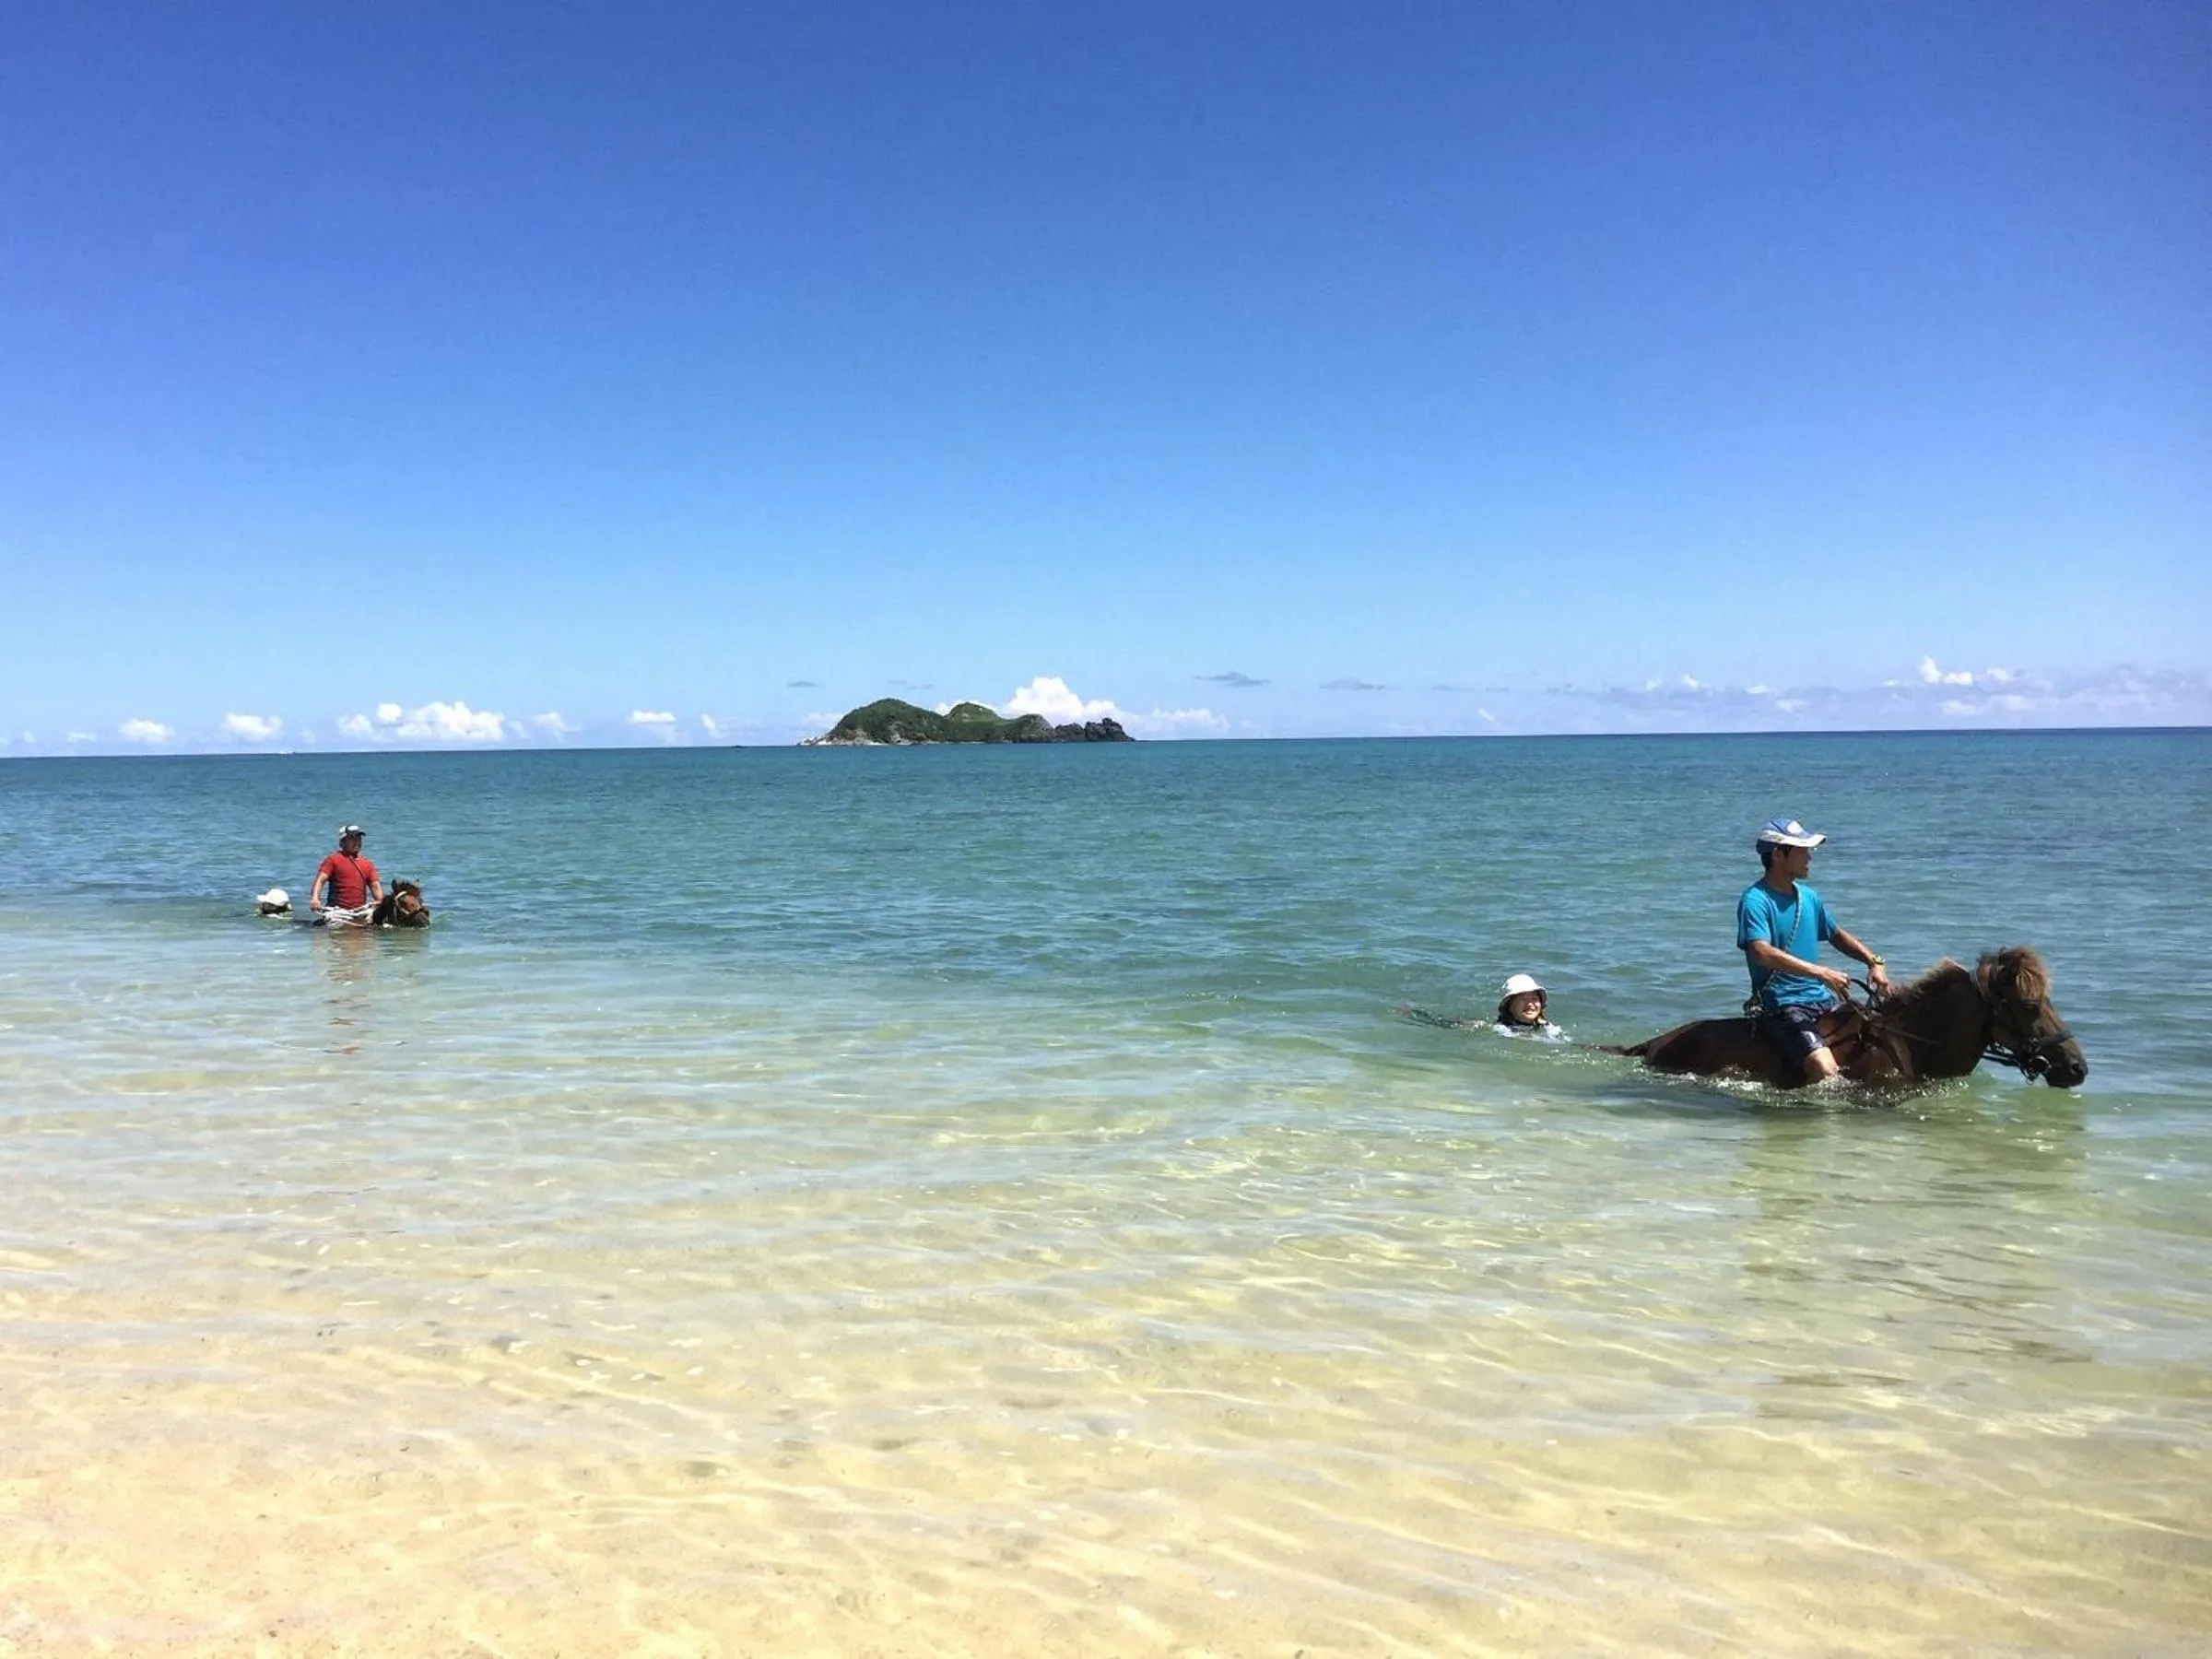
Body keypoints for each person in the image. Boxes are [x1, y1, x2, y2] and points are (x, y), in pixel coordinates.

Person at [1738, 818, 1891, 1082]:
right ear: (1778, 854)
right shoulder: (1755, 900)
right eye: (1801, 850)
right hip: (1782, 1005)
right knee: (1826, 1070)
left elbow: (1836, 935)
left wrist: (1874, 961)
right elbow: (1761, 952)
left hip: (1822, 1001)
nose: (1808, 857)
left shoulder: (1808, 897)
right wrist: (1821, 973)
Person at [311, 823, 383, 925]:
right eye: (352, 839)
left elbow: (375, 886)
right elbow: (320, 880)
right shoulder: (333, 860)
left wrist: (380, 901)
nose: (357, 842)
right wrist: (315, 900)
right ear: (342, 842)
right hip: (337, 912)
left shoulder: (368, 864)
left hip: (360, 912)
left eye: (359, 838)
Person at [1494, 972, 1563, 1039]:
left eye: (1534, 999)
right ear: (1509, 1006)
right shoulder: (1502, 1028)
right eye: (1523, 999)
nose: (1530, 1004)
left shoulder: (1546, 1026)